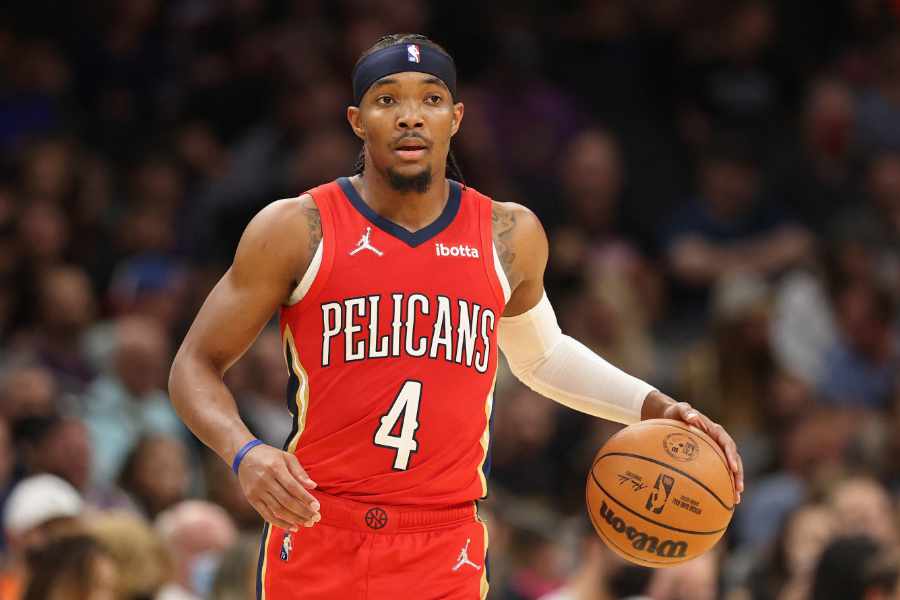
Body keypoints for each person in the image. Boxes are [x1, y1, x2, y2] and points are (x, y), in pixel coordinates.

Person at [169, 33, 745, 600]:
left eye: (431, 98)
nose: (410, 116)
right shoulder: (296, 228)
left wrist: (658, 406)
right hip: (321, 527)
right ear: (356, 120)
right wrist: (244, 452)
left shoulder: (507, 234)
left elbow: (542, 356)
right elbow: (194, 365)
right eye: (387, 99)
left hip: (444, 546)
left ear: (457, 117)